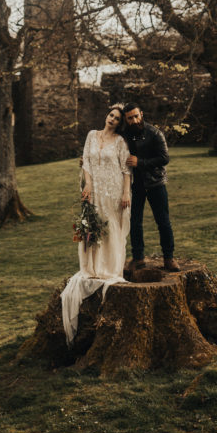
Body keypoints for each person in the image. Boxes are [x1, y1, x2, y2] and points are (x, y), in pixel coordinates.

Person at [60, 104, 132, 344]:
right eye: (111, 115)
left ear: (120, 123)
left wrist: (126, 193)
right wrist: (87, 184)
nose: (112, 120)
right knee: (92, 226)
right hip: (95, 189)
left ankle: (109, 268)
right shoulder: (91, 135)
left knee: (110, 228)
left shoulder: (121, 142)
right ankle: (91, 266)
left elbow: (125, 170)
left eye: (117, 119)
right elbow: (86, 163)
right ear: (106, 115)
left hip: (113, 190)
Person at [122, 103, 179, 272]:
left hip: (156, 183)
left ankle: (169, 258)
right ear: (126, 120)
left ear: (141, 114)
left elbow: (164, 158)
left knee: (163, 221)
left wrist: (140, 162)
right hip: (136, 185)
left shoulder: (154, 133)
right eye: (130, 118)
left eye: (136, 116)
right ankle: (138, 258)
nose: (134, 120)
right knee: (135, 222)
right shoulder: (125, 135)